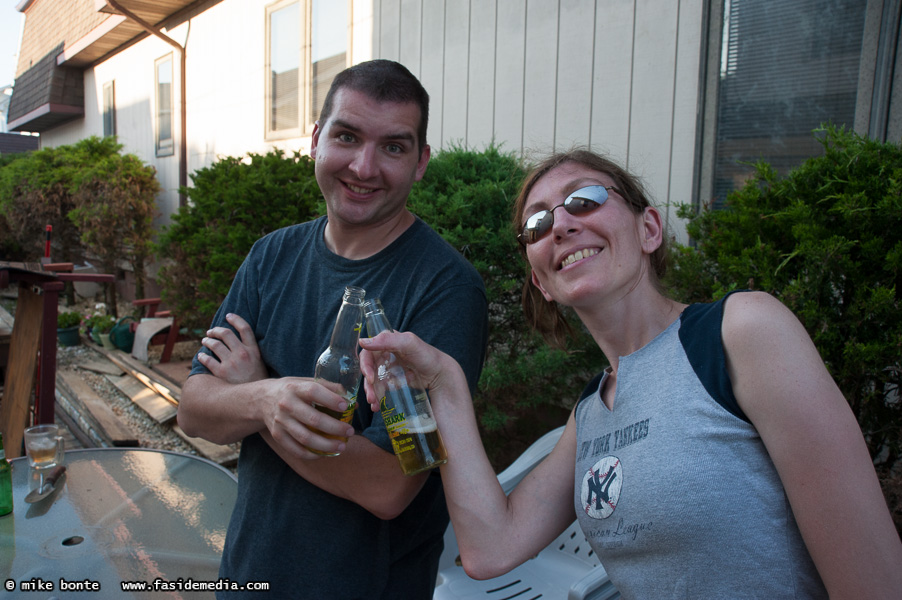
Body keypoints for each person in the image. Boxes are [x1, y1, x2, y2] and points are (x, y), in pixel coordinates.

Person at [358, 149, 902, 598]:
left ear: (649, 229)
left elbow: (873, 581)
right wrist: (446, 384)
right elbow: (487, 549)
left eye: (585, 199)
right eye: (537, 223)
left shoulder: (740, 333)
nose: (562, 223)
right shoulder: (592, 413)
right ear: (542, 281)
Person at [177, 59, 488, 598]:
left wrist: (259, 403)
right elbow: (195, 411)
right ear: (317, 139)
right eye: (347, 136)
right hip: (248, 571)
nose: (364, 167)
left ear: (421, 163)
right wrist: (262, 396)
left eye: (393, 146)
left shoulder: (447, 289)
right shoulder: (271, 255)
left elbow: (388, 484)